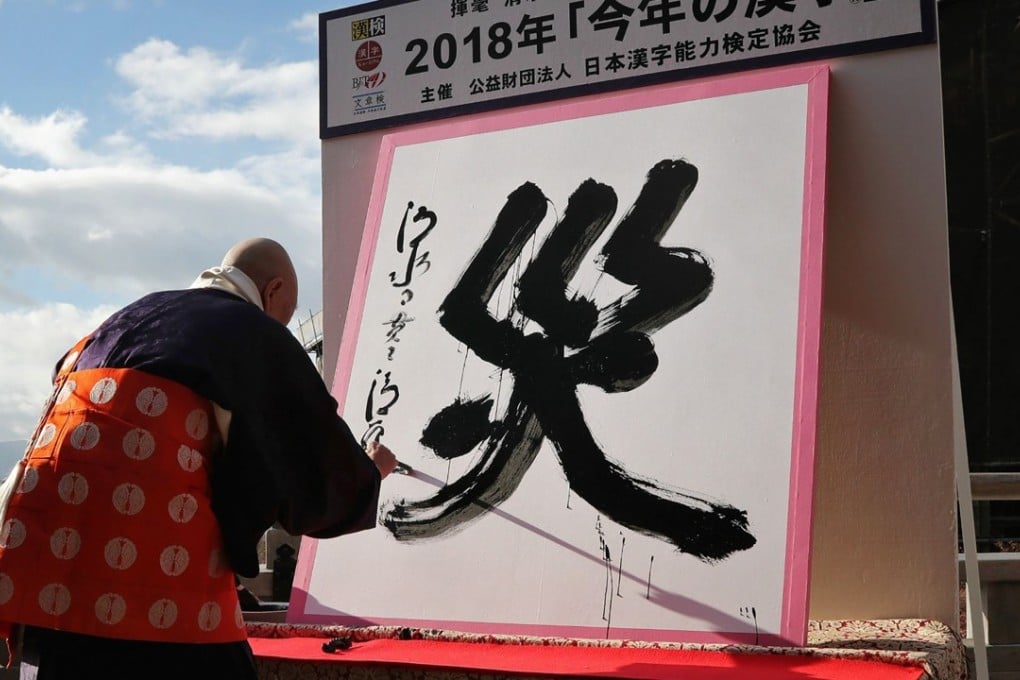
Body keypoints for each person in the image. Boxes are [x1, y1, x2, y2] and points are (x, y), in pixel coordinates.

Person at [0, 238, 397, 679]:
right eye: (288, 312)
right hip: (154, 593)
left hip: (47, 586)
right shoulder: (252, 334)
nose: (283, 326)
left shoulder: (120, 322)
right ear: (274, 290)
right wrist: (369, 473)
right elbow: (311, 469)